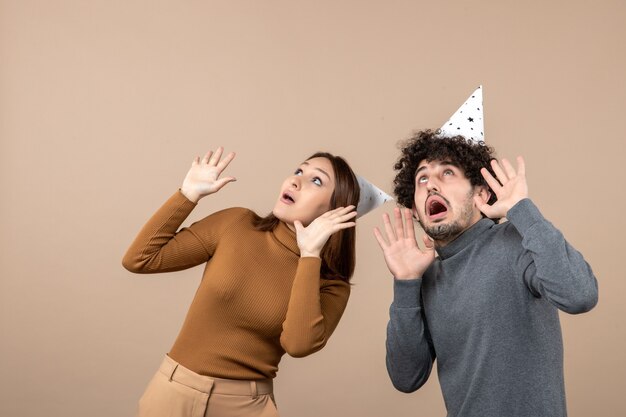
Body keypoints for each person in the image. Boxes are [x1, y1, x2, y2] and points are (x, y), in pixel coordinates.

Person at [374, 130, 598, 417]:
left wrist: (522, 210)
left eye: (447, 173)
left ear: (481, 194)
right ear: (416, 212)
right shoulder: (425, 277)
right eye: (423, 178)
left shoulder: (516, 240)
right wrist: (405, 283)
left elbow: (581, 295)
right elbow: (406, 378)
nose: (431, 186)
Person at [123, 146, 360, 417]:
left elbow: (297, 344)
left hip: (247, 407)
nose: (295, 180)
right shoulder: (236, 224)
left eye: (315, 180)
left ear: (336, 209)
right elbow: (140, 259)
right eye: (298, 171)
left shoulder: (331, 284)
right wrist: (187, 195)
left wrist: (309, 256)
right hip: (172, 396)